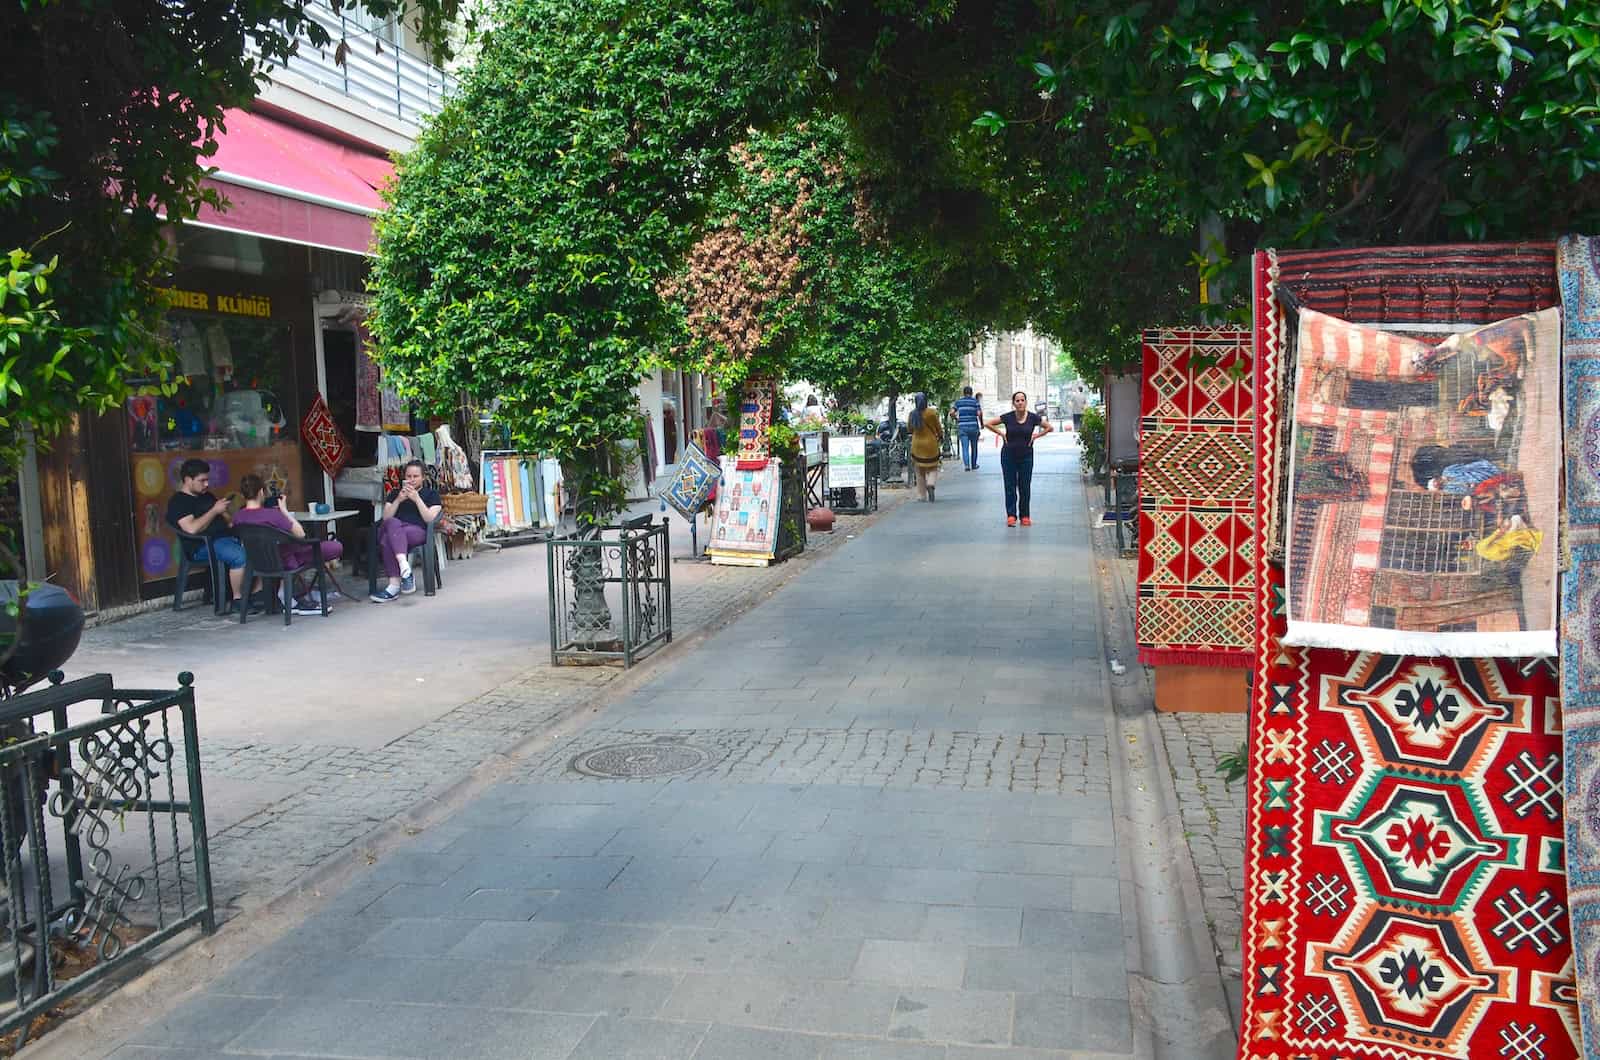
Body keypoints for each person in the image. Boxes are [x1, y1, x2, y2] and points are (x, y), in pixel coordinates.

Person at [232, 474, 342, 614]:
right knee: (335, 547)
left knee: (289, 549)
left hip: (257, 561)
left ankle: (285, 593)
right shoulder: (272, 515)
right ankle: (287, 596)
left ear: (243, 495)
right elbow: (301, 534)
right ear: (261, 492)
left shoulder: (238, 517)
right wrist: (284, 511)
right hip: (283, 561)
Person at [166, 458, 250, 608]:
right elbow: (191, 529)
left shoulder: (207, 495)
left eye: (207, 480)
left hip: (226, 537)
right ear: (187, 480)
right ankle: (238, 600)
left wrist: (226, 513)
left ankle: (258, 595)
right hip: (202, 546)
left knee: (261, 547)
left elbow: (227, 521)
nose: (206, 484)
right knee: (240, 556)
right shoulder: (179, 502)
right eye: (202, 480)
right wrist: (214, 511)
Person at [372, 459, 442, 602]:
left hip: (417, 531)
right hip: (395, 531)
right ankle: (405, 568)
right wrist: (398, 500)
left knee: (387, 538)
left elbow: (430, 518)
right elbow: (385, 518)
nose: (411, 480)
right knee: (391, 524)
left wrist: (417, 499)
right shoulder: (395, 494)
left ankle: (394, 587)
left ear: (423, 477)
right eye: (408, 476)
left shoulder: (431, 494)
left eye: (415, 476)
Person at [985, 390, 1052, 526]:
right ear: (1013, 403)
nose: (1020, 403)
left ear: (1026, 402)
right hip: (1008, 455)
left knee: (1024, 485)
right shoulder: (1008, 417)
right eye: (1017, 400)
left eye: (1022, 400)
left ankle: (1025, 515)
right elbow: (988, 423)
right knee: (1010, 485)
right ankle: (1011, 515)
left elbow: (1049, 427)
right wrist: (1001, 434)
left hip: (1026, 455)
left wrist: (1036, 436)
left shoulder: (1033, 418)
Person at [906, 393, 944, 502]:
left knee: (919, 470)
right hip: (931, 444)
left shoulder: (912, 414)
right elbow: (938, 427)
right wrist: (941, 436)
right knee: (933, 467)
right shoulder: (931, 413)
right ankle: (931, 483)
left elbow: (909, 429)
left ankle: (921, 495)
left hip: (917, 444)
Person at [952, 386, 982, 470]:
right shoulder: (975, 401)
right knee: (974, 447)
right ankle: (974, 464)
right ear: (971, 393)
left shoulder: (958, 402)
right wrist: (982, 424)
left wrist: (957, 419)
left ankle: (966, 466)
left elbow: (951, 412)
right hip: (973, 427)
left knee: (964, 447)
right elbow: (979, 413)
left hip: (962, 427)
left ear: (963, 393)